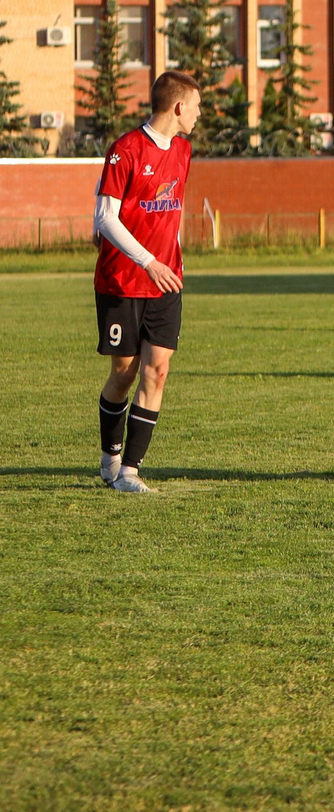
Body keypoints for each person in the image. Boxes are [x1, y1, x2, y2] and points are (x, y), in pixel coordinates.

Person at [93, 69, 201, 494]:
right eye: (195, 106)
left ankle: (130, 472)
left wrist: (170, 259)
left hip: (166, 282)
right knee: (124, 373)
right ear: (178, 106)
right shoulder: (125, 150)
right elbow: (106, 217)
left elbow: (172, 213)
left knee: (157, 370)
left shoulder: (184, 151)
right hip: (122, 281)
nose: (198, 114)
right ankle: (110, 457)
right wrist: (148, 261)